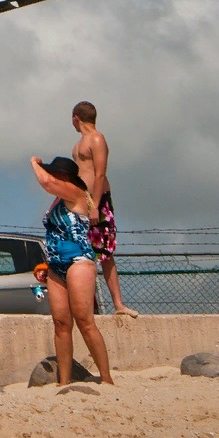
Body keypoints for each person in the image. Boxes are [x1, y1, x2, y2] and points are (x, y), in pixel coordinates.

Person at [31, 154, 114, 386]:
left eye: (54, 172)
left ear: (64, 176)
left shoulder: (77, 193)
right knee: (61, 323)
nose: (50, 175)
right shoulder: (58, 199)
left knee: (85, 321)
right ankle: (64, 381)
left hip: (78, 260)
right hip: (56, 264)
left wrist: (34, 164)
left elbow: (46, 182)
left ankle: (106, 378)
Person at [71, 101, 138, 317]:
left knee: (105, 253)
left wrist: (95, 206)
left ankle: (118, 304)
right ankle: (86, 306)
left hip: (97, 201)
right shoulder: (77, 145)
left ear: (76, 118)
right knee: (80, 254)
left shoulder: (97, 139)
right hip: (80, 202)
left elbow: (100, 173)